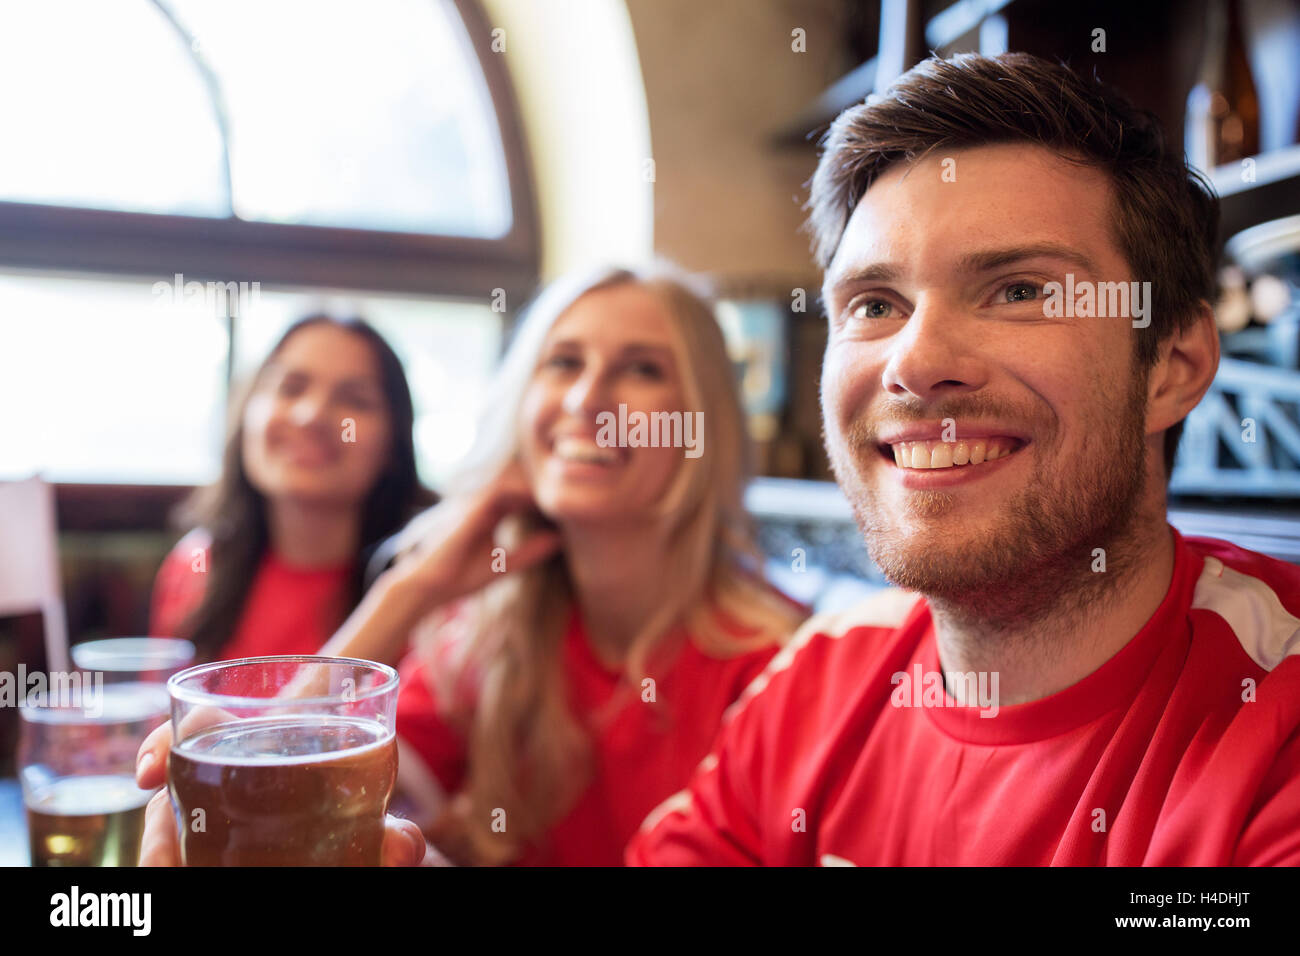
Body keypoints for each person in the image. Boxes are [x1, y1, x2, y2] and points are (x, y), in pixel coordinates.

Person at [625, 53, 1300, 865]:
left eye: (1018, 290)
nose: (916, 361)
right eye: (875, 304)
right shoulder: (822, 677)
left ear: (1174, 366)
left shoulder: (1274, 721)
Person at [137, 264, 806, 866]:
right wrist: (413, 590)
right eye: (564, 363)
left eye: (642, 370)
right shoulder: (485, 638)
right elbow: (292, 777)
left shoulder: (778, 668)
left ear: (703, 423)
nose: (586, 401)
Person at [148, 314, 432, 661]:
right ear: (245, 415)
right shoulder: (194, 566)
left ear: (394, 444)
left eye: (355, 400)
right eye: (291, 387)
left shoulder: (433, 586)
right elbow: (164, 713)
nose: (311, 415)